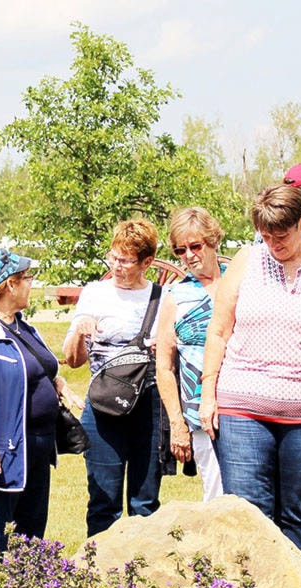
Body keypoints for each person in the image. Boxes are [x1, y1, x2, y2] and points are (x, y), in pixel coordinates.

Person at [199, 184, 301, 557]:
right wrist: (208, 395)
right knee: (248, 514)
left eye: (282, 234)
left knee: (298, 516)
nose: (274, 243)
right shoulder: (245, 261)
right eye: (266, 235)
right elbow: (219, 331)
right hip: (243, 409)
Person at [0, 247, 77, 572]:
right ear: (10, 284)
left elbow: (39, 369)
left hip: (36, 446)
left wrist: (59, 385)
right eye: (27, 278)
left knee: (31, 533)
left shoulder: (24, 327)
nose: (30, 284)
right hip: (1, 454)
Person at [63, 218, 167, 536]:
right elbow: (73, 359)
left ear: (146, 262)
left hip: (148, 405)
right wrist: (79, 332)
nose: (116, 266)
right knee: (103, 501)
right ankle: (101, 579)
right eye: (113, 257)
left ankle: (143, 577)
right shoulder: (95, 294)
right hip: (103, 405)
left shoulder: (161, 298)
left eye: (125, 260)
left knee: (145, 503)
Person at [154, 207, 227, 501]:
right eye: (180, 250)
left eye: (196, 246)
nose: (189, 255)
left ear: (213, 241)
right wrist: (177, 424)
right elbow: (164, 366)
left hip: (243, 404)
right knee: (216, 490)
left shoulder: (238, 284)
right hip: (200, 412)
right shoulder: (176, 297)